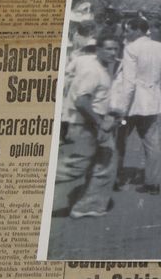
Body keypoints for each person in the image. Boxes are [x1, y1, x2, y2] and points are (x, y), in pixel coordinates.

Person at [54, 35, 120, 218]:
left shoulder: (101, 67)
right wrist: (99, 124)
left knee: (105, 162)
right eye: (108, 49)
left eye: (115, 49)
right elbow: (82, 102)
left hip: (95, 122)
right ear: (98, 49)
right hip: (86, 124)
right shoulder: (93, 71)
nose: (113, 53)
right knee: (75, 167)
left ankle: (88, 206)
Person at [111, 18, 161, 194]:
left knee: (120, 139)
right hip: (151, 102)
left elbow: (129, 83)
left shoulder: (131, 49)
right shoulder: (159, 46)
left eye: (128, 30)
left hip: (133, 105)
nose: (126, 34)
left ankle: (115, 178)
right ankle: (153, 182)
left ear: (137, 30)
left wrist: (121, 110)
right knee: (152, 142)